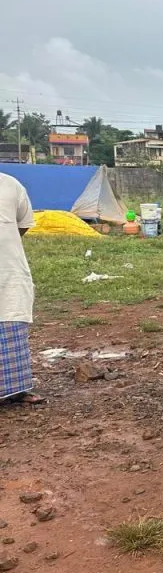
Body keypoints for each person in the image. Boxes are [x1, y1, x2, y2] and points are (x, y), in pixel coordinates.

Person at [1, 173, 44, 405]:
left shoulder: (10, 184)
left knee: (11, 320)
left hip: (7, 267)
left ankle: (15, 390)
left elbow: (23, 224)